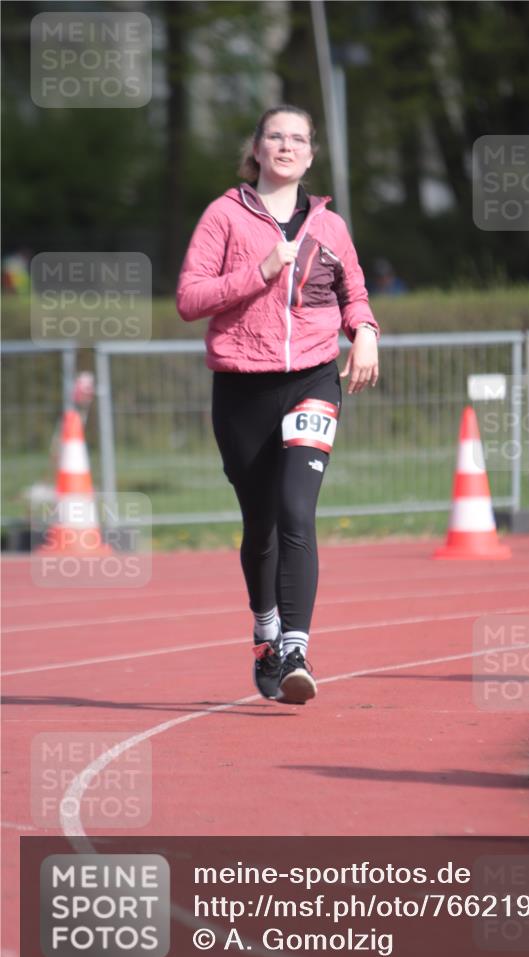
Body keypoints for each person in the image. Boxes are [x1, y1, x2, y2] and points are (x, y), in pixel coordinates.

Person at [176, 105, 379, 705]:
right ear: (257, 149)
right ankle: (265, 632)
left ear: (311, 155)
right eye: (275, 137)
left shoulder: (330, 226)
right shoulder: (224, 216)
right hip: (243, 387)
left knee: (296, 510)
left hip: (313, 379)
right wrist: (260, 271)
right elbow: (190, 299)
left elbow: (355, 292)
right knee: (261, 523)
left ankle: (295, 648)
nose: (286, 147)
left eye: (298, 139)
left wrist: (365, 329)